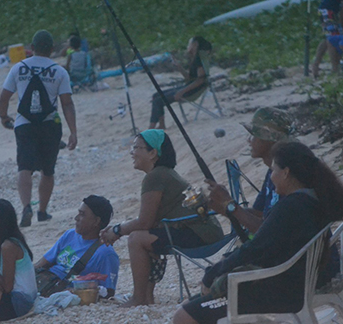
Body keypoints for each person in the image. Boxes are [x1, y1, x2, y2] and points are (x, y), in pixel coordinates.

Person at [173, 141, 343, 324]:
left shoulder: (292, 206)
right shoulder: (312, 200)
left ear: (285, 173)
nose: (271, 176)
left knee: (184, 316)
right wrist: (230, 208)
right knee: (193, 304)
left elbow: (254, 249)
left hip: (282, 293)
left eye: (273, 170)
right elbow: (267, 238)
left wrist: (211, 275)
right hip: (295, 284)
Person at [100, 130, 224, 307]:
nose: (131, 152)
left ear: (153, 153)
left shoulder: (155, 176)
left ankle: (139, 298)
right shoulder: (164, 173)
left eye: (136, 147)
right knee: (146, 234)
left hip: (199, 234)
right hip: (205, 231)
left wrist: (117, 230)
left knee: (137, 239)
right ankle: (147, 297)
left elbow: (144, 222)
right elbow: (148, 221)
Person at [0, 30, 77, 227]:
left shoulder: (19, 68)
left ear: (31, 48)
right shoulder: (59, 71)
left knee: (24, 167)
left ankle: (26, 206)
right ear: (51, 49)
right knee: (47, 170)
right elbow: (67, 103)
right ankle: (42, 211)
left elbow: (4, 98)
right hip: (50, 125)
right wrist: (73, 132)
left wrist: (4, 116)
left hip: (24, 123)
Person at [208, 107, 294, 234]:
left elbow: (267, 231)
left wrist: (230, 204)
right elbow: (259, 214)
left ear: (269, 140)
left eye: (254, 136)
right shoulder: (273, 172)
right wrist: (224, 207)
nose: (249, 140)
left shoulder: (287, 177)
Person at [34, 195, 119, 298]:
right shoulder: (69, 235)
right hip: (43, 283)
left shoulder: (106, 254)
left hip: (62, 292)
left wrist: (75, 292)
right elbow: (42, 263)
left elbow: (108, 292)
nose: (76, 218)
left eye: (82, 214)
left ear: (96, 221)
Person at [149, 36, 211, 129]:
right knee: (156, 95)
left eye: (189, 44)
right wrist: (179, 67)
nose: (187, 46)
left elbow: (200, 80)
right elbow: (189, 78)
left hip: (193, 90)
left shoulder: (199, 59)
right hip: (190, 86)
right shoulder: (196, 58)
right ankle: (161, 125)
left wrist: (181, 91)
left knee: (158, 100)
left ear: (195, 45)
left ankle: (151, 128)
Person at [312, 0, 343, 78]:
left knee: (328, 38)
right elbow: (342, 12)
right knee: (333, 39)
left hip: (325, 11)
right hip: (328, 12)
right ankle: (335, 68)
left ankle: (316, 64)